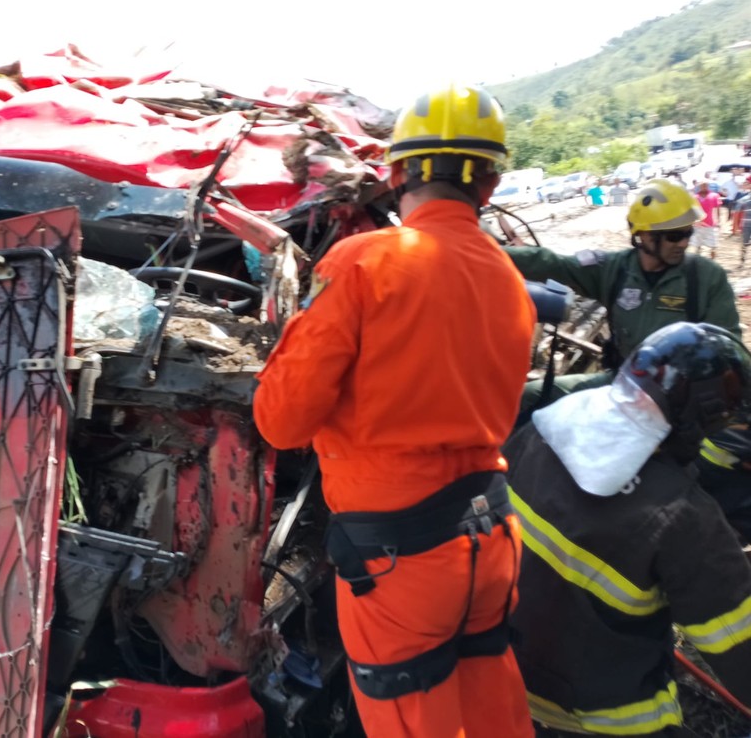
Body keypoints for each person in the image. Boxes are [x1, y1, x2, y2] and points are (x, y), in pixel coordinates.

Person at [253, 83, 537, 738]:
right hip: (489, 538)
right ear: (488, 186)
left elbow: (280, 421)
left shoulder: (362, 263)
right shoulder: (507, 279)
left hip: (400, 564)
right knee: (493, 704)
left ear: (398, 170)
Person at [504, 322, 751, 736]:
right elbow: (740, 649)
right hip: (603, 718)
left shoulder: (542, 431)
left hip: (501, 675)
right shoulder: (682, 517)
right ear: (699, 418)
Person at [505, 178, 741, 420]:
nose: (683, 243)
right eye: (674, 236)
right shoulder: (614, 269)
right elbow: (552, 263)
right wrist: (483, 251)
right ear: (644, 235)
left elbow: (728, 348)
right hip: (622, 383)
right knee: (529, 396)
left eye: (687, 233)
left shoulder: (706, 277)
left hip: (679, 398)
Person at [693, 181, 722, 259]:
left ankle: (713, 262)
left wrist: (718, 220)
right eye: (702, 185)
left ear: (708, 186)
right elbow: (692, 211)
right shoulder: (695, 197)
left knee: (713, 245)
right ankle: (697, 262)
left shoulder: (714, 196)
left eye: (706, 185)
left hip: (710, 224)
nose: (704, 187)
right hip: (698, 225)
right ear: (699, 186)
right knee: (697, 245)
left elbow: (718, 209)